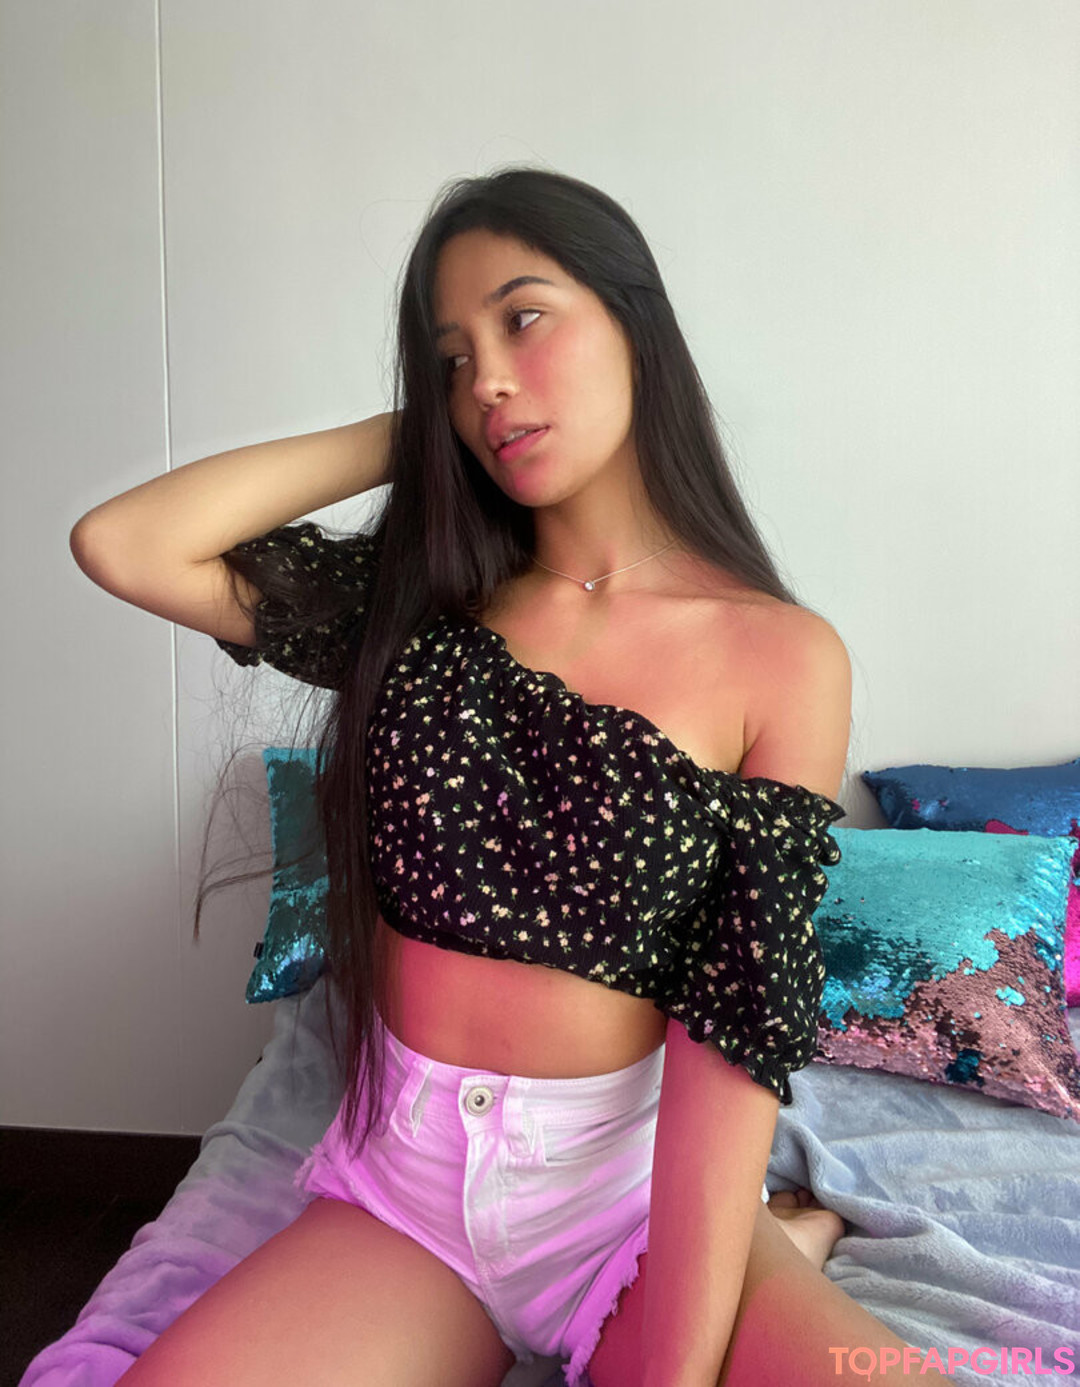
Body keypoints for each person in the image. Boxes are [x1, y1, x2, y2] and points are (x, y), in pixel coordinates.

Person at [70, 167, 942, 1387]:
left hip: (626, 1208)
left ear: (634, 322)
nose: (485, 378)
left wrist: (675, 1366)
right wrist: (425, 432)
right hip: (406, 1197)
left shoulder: (781, 655)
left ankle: (781, 1238)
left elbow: (731, 1024)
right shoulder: (417, 607)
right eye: (451, 358)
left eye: (524, 318)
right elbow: (125, 543)